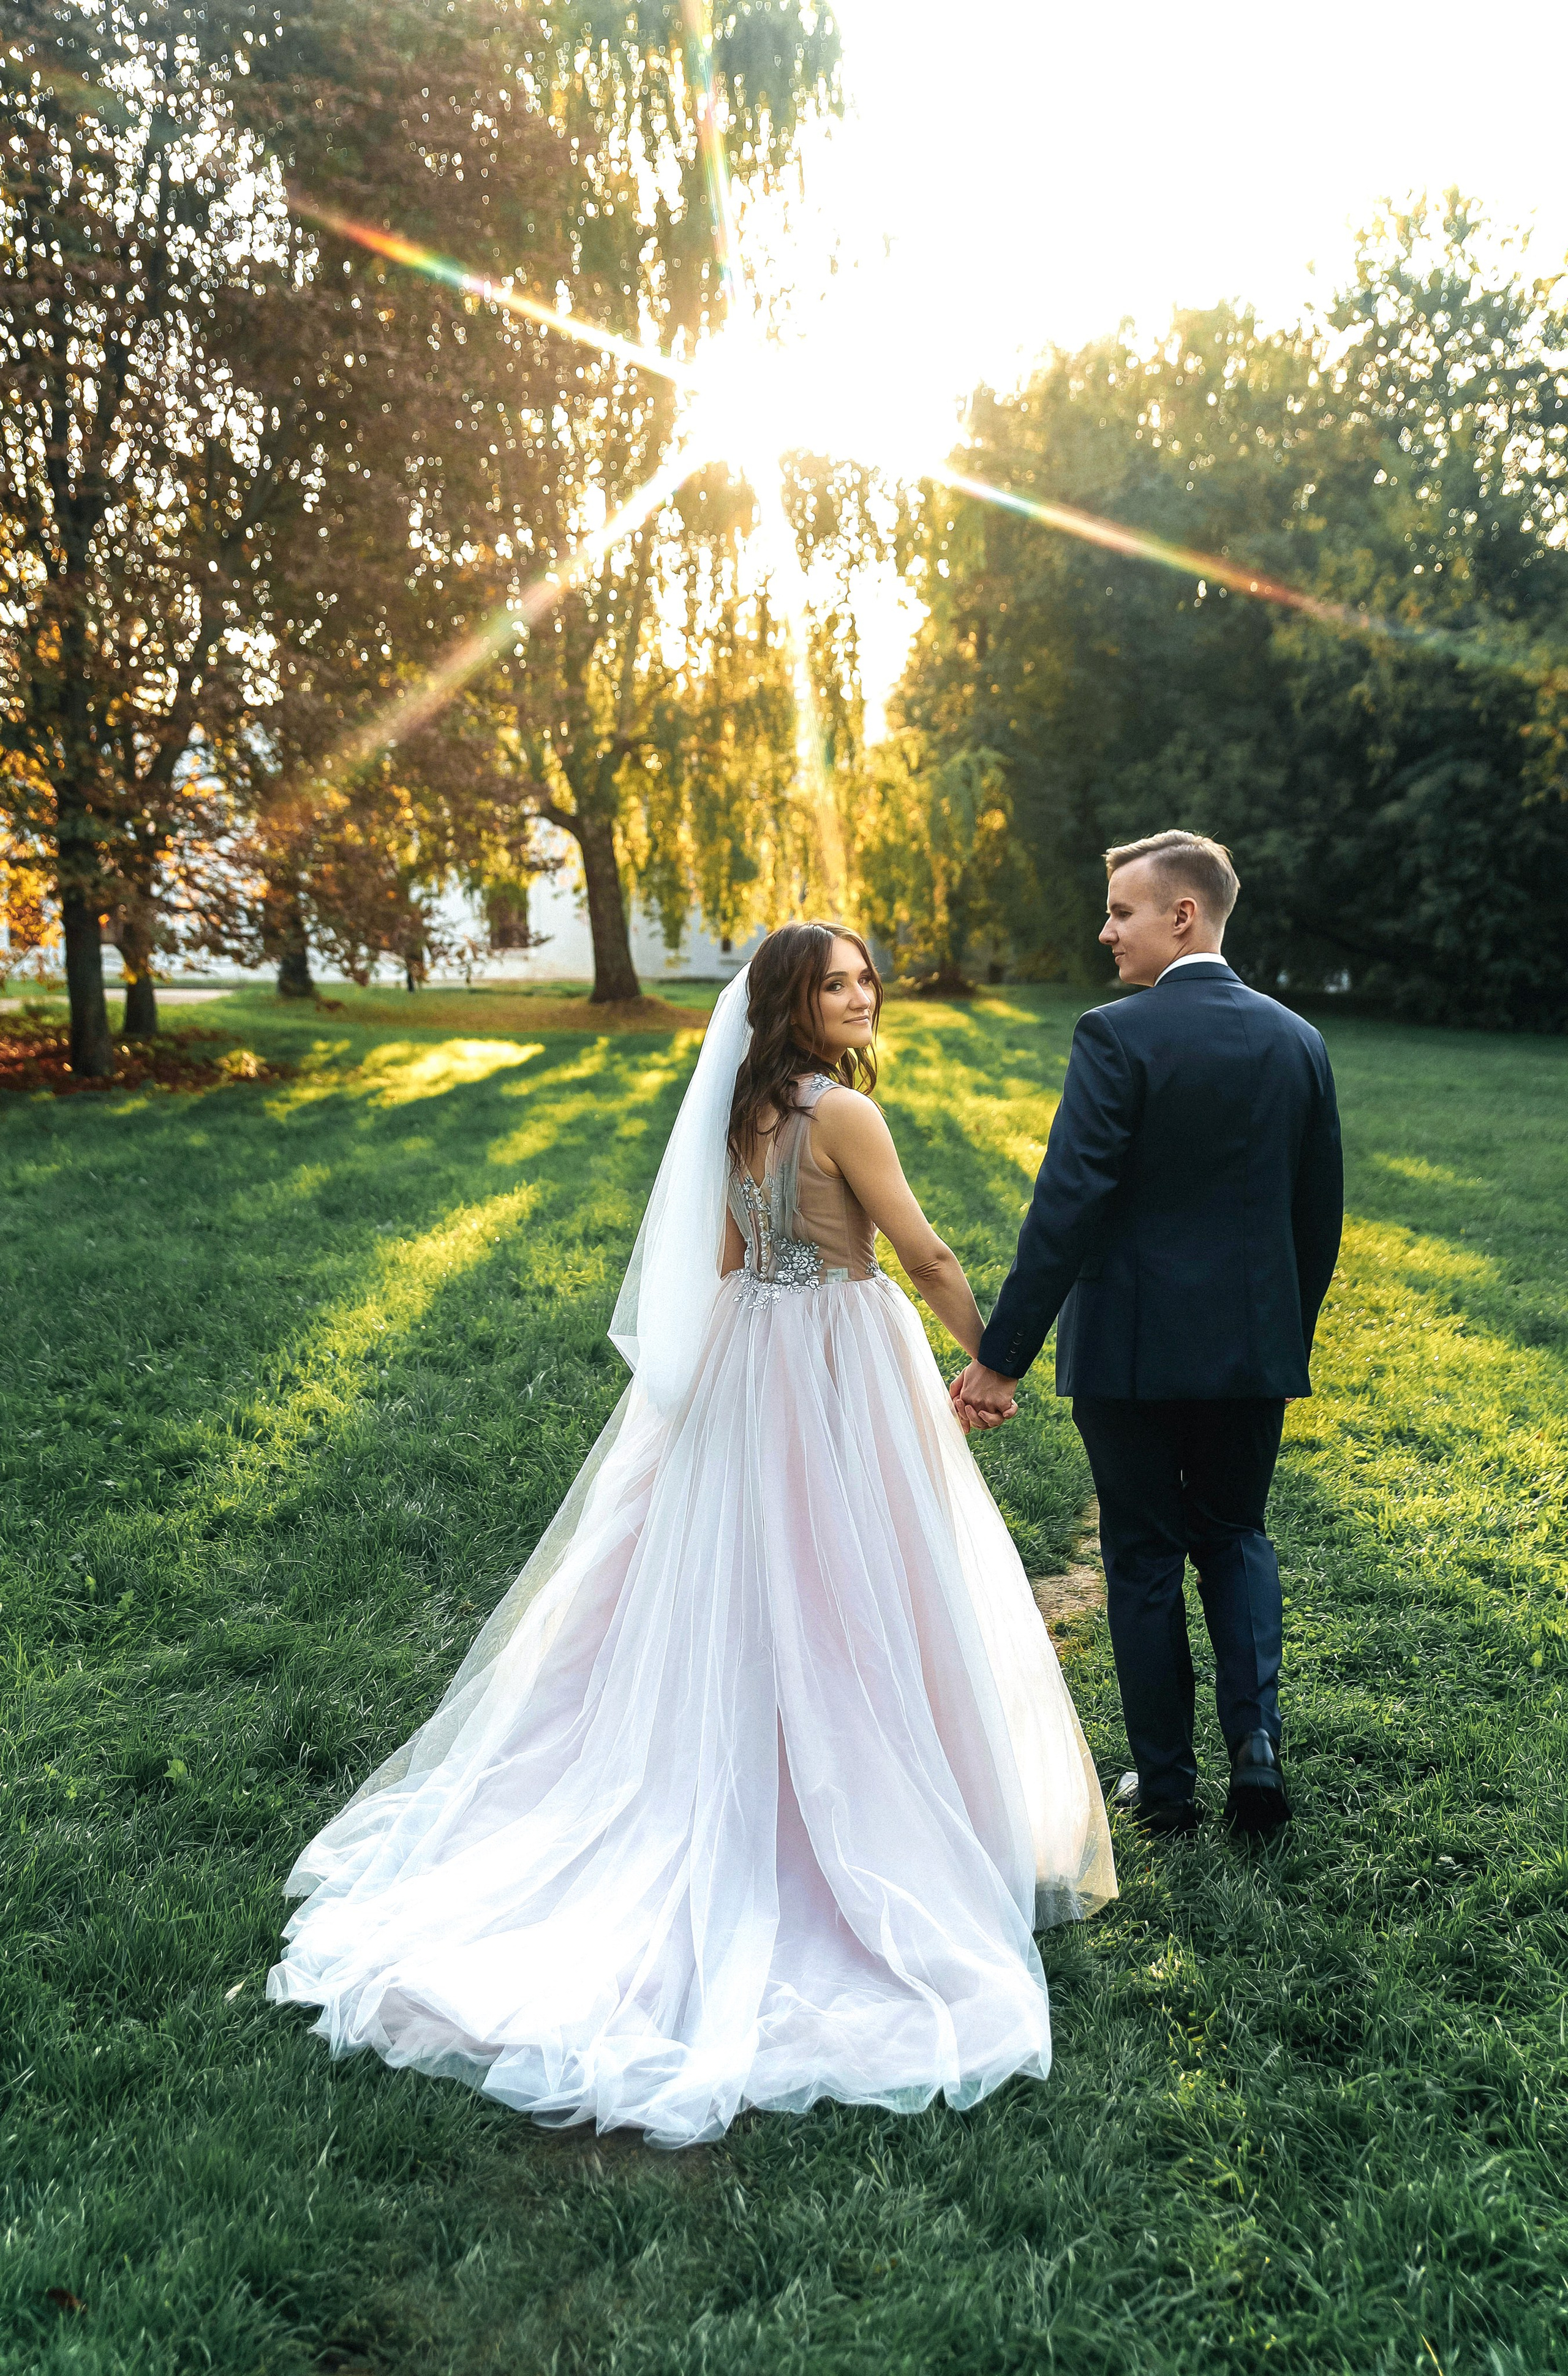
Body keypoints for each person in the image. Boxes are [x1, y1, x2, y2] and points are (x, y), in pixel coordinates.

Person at [269, 922, 1115, 2148]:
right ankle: (858, 1794)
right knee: (855, 1567)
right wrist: (991, 1357)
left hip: (751, 1347)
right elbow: (923, 1250)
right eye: (836, 984)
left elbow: (721, 1259)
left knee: (755, 1564)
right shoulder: (844, 1115)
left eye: (865, 978)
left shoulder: (741, 1110)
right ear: (791, 1004)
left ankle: (762, 1749)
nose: (862, 995)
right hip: (840, 1350)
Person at [953, 832, 1343, 1838]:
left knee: (1140, 1554)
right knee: (1235, 1535)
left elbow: (1066, 1204)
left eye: (1121, 911)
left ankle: (1166, 1790)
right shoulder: (1298, 1041)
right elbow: (1318, 1221)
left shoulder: (1114, 1036)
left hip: (1127, 1351)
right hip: (1251, 1347)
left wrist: (1001, 1357)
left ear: (1183, 915)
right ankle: (1256, 1748)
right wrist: (1281, 1337)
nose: (1105, 930)